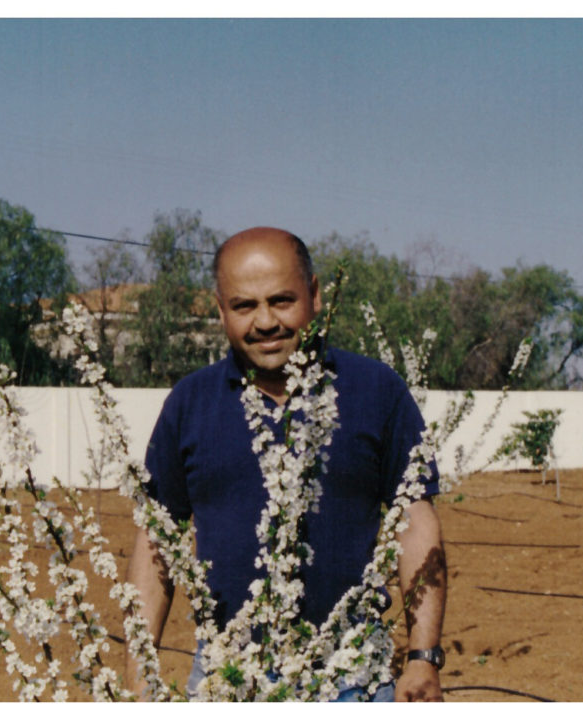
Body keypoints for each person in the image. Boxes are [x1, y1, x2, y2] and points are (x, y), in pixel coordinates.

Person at [126, 227, 446, 702]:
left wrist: (423, 657)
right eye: (244, 306)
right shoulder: (190, 403)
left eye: (281, 300)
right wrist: (138, 681)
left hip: (352, 680)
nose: (265, 321)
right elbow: (156, 542)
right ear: (220, 310)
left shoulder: (374, 390)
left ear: (314, 295)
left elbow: (415, 523)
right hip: (226, 680)